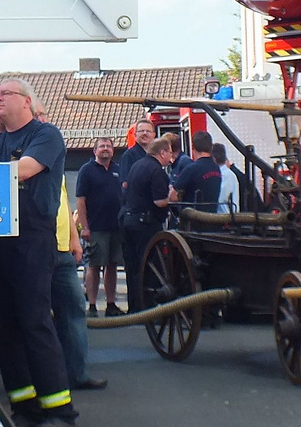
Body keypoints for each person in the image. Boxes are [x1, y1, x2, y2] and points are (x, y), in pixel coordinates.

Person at [0, 78, 78, 427]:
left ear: (27, 102)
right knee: (5, 322)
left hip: (32, 240)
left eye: (4, 95)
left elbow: (26, 170)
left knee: (35, 320)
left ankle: (60, 411)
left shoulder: (46, 135)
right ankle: (25, 405)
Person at [51, 184, 107, 391]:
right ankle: (39, 379)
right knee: (34, 317)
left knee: (74, 310)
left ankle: (76, 374)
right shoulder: (32, 157)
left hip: (62, 250)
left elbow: (63, 202)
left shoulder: (54, 157)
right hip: (37, 247)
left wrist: (74, 239)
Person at [119, 133, 179, 313]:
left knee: (133, 267)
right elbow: (159, 202)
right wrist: (172, 196)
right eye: (169, 153)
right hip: (145, 224)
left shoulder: (137, 165)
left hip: (128, 220)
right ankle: (148, 308)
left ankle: (134, 308)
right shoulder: (156, 170)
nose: (171, 157)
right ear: (162, 153)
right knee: (149, 266)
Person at [75, 137, 124, 318]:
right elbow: (81, 201)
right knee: (94, 266)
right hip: (95, 227)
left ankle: (111, 304)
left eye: (108, 146)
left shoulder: (118, 170)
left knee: (112, 266)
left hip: (116, 227)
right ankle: (93, 306)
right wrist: (84, 227)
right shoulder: (86, 171)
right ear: (94, 151)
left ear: (113, 150)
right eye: (101, 146)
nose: (105, 149)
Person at [171, 131, 223, 213]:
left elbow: (173, 197)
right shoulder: (216, 168)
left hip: (194, 220)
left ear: (193, 147)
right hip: (212, 219)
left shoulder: (191, 169)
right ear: (211, 147)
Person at [117, 119, 155, 187]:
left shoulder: (155, 154)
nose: (145, 133)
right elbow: (125, 184)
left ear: (154, 135)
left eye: (148, 131)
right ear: (135, 134)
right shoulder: (129, 155)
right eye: (141, 131)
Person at [211, 142, 239, 215]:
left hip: (226, 218)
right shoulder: (228, 174)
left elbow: (220, 198)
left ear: (214, 159)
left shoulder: (227, 175)